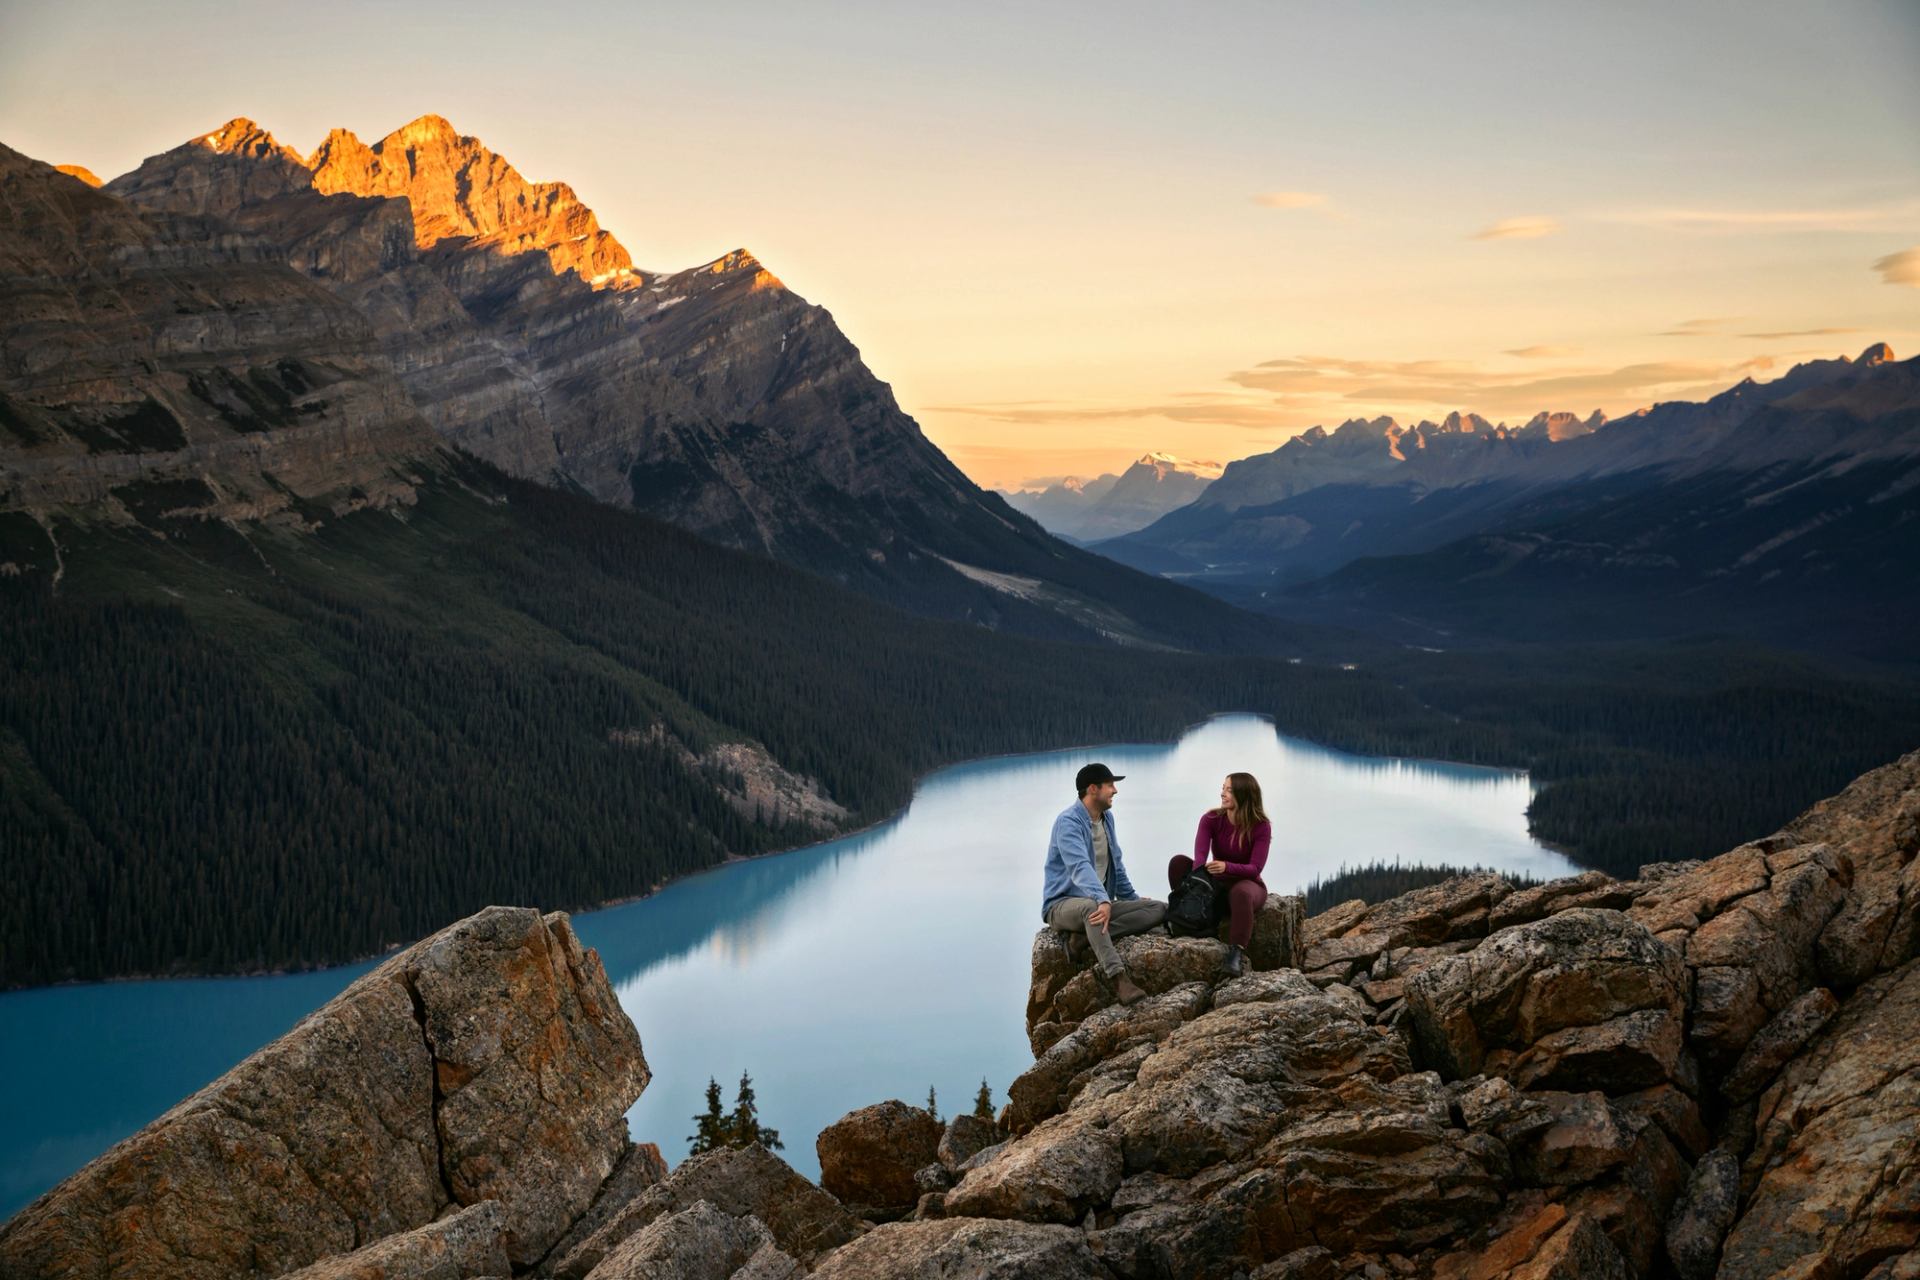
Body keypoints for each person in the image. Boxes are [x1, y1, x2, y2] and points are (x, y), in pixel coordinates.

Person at [1042, 762, 1167, 1006]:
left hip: (1099, 901)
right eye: (1110, 785)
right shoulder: (1068, 822)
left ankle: (1083, 940)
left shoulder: (1106, 818)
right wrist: (1102, 899)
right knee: (1092, 909)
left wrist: (1132, 899)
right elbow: (1079, 867)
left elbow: (1116, 865)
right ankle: (1119, 979)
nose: (1115, 791)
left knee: (1158, 909)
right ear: (1092, 789)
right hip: (1062, 905)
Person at [1169, 772, 1271, 978]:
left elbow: (1255, 869)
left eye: (1229, 790)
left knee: (1241, 892)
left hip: (1248, 884)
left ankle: (1235, 953)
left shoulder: (1261, 826)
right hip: (1217, 886)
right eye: (1222, 788)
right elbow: (1199, 857)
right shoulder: (1211, 819)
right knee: (1179, 863)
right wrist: (1199, 881)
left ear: (1244, 795)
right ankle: (1190, 917)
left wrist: (1227, 867)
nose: (1222, 794)